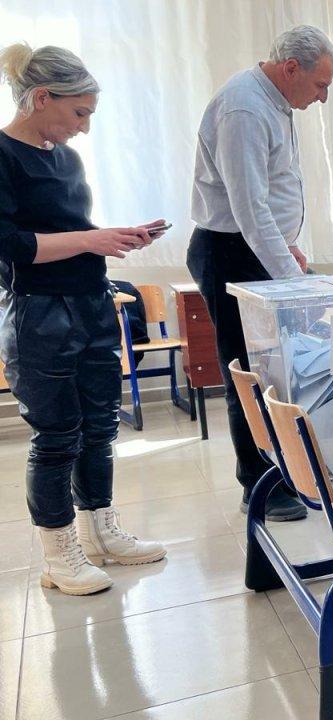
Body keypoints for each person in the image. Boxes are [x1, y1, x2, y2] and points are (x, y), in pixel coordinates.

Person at [0, 42, 167, 596]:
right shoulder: (3, 155)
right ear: (40, 98)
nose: (84, 127)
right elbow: (13, 246)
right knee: (57, 436)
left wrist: (113, 237)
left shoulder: (67, 160)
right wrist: (91, 240)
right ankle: (59, 554)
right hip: (38, 313)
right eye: (79, 113)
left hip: (91, 301)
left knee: (100, 426)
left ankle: (101, 532)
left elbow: (70, 230)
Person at [187, 26, 333, 522]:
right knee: (249, 372)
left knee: (282, 369)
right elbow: (250, 209)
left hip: (257, 250)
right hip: (230, 253)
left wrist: (290, 251)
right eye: (320, 85)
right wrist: (294, 283)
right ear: (291, 68)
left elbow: (273, 192)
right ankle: (259, 484)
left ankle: (288, 470)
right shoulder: (245, 109)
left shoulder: (274, 101)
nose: (323, 97)